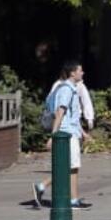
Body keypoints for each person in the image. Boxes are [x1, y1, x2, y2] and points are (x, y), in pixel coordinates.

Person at [33, 61, 94, 208]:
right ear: (73, 73)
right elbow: (60, 113)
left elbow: (72, 116)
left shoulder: (72, 88)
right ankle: (69, 198)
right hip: (66, 134)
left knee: (71, 167)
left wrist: (83, 133)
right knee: (69, 167)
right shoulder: (66, 89)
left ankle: (49, 189)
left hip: (71, 132)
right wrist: (53, 136)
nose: (83, 73)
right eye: (80, 70)